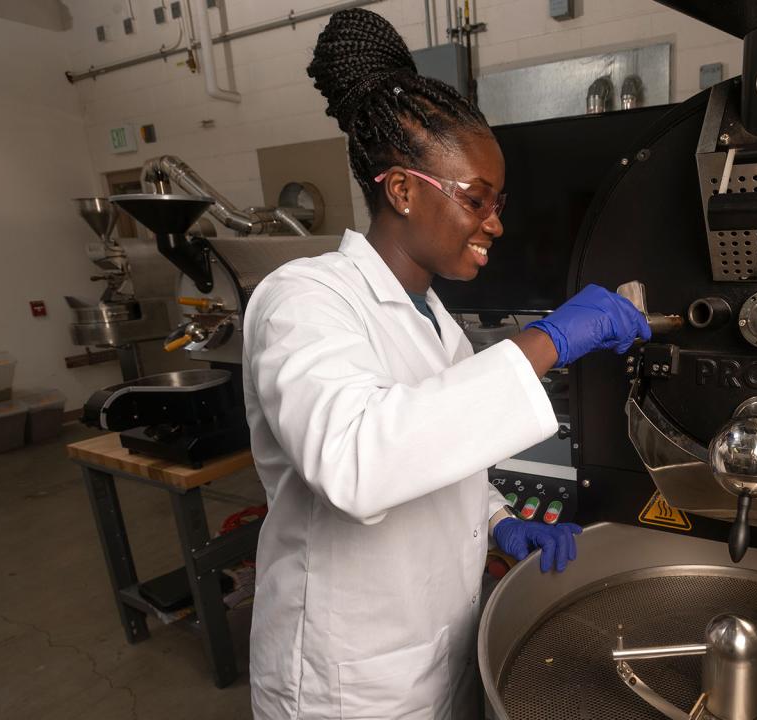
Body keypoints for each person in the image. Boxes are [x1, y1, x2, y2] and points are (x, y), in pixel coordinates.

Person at [242, 8, 650, 719]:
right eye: (476, 199)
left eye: (499, 202)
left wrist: (496, 520)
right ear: (401, 190)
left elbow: (435, 453)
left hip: (439, 650)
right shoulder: (303, 299)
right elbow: (357, 460)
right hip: (348, 681)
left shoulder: (441, 324)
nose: (495, 222)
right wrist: (548, 339)